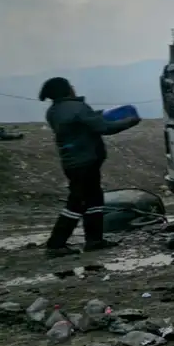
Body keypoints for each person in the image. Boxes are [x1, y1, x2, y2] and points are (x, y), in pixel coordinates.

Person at [38, 77, 141, 257]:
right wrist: (129, 122)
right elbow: (103, 127)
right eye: (70, 86)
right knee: (77, 202)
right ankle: (56, 244)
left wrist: (98, 114)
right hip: (84, 162)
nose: (73, 88)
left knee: (93, 200)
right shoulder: (77, 108)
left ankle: (95, 240)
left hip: (73, 162)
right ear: (66, 90)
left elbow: (85, 122)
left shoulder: (54, 110)